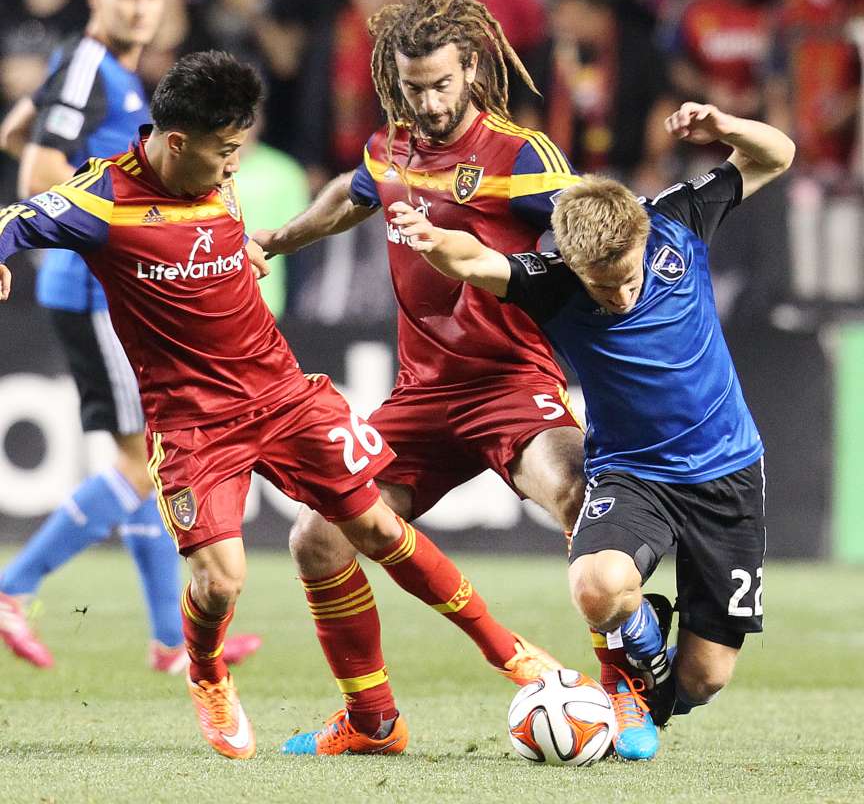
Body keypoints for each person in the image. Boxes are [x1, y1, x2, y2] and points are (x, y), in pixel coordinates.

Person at [0, 48, 561, 762]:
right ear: (176, 143)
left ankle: (509, 654)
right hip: (193, 421)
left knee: (376, 527)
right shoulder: (102, 200)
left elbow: (211, 240)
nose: (235, 166)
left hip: (282, 392)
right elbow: (18, 215)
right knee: (222, 577)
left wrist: (240, 252)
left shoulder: (214, 170)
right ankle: (205, 672)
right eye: (225, 152)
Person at [255, 0, 656, 759]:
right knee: (317, 538)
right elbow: (354, 192)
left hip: (513, 387)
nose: (430, 103)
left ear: (471, 66)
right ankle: (372, 721)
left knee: (580, 495)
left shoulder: (520, 155)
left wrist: (628, 306)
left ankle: (624, 693)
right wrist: (280, 238)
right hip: (423, 397)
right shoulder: (391, 147)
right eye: (413, 88)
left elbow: (594, 227)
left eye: (441, 84)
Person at [392, 101, 795, 761]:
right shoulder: (551, 284)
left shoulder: (677, 219)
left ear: (641, 238)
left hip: (728, 474)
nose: (621, 297)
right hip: (634, 474)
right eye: (603, 287)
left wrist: (724, 125)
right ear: (572, 264)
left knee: (704, 678)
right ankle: (628, 675)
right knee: (595, 586)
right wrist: (435, 242)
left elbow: (775, 153)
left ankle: (648, 680)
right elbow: (478, 262)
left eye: (628, 277)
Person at [0, 0, 259, 674]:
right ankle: (12, 588)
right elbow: (38, 164)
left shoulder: (91, 70)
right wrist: (99, 226)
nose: (142, 11)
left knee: (144, 458)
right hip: (97, 289)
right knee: (144, 465)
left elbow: (17, 127)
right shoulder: (88, 64)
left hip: (100, 289)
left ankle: (169, 640)